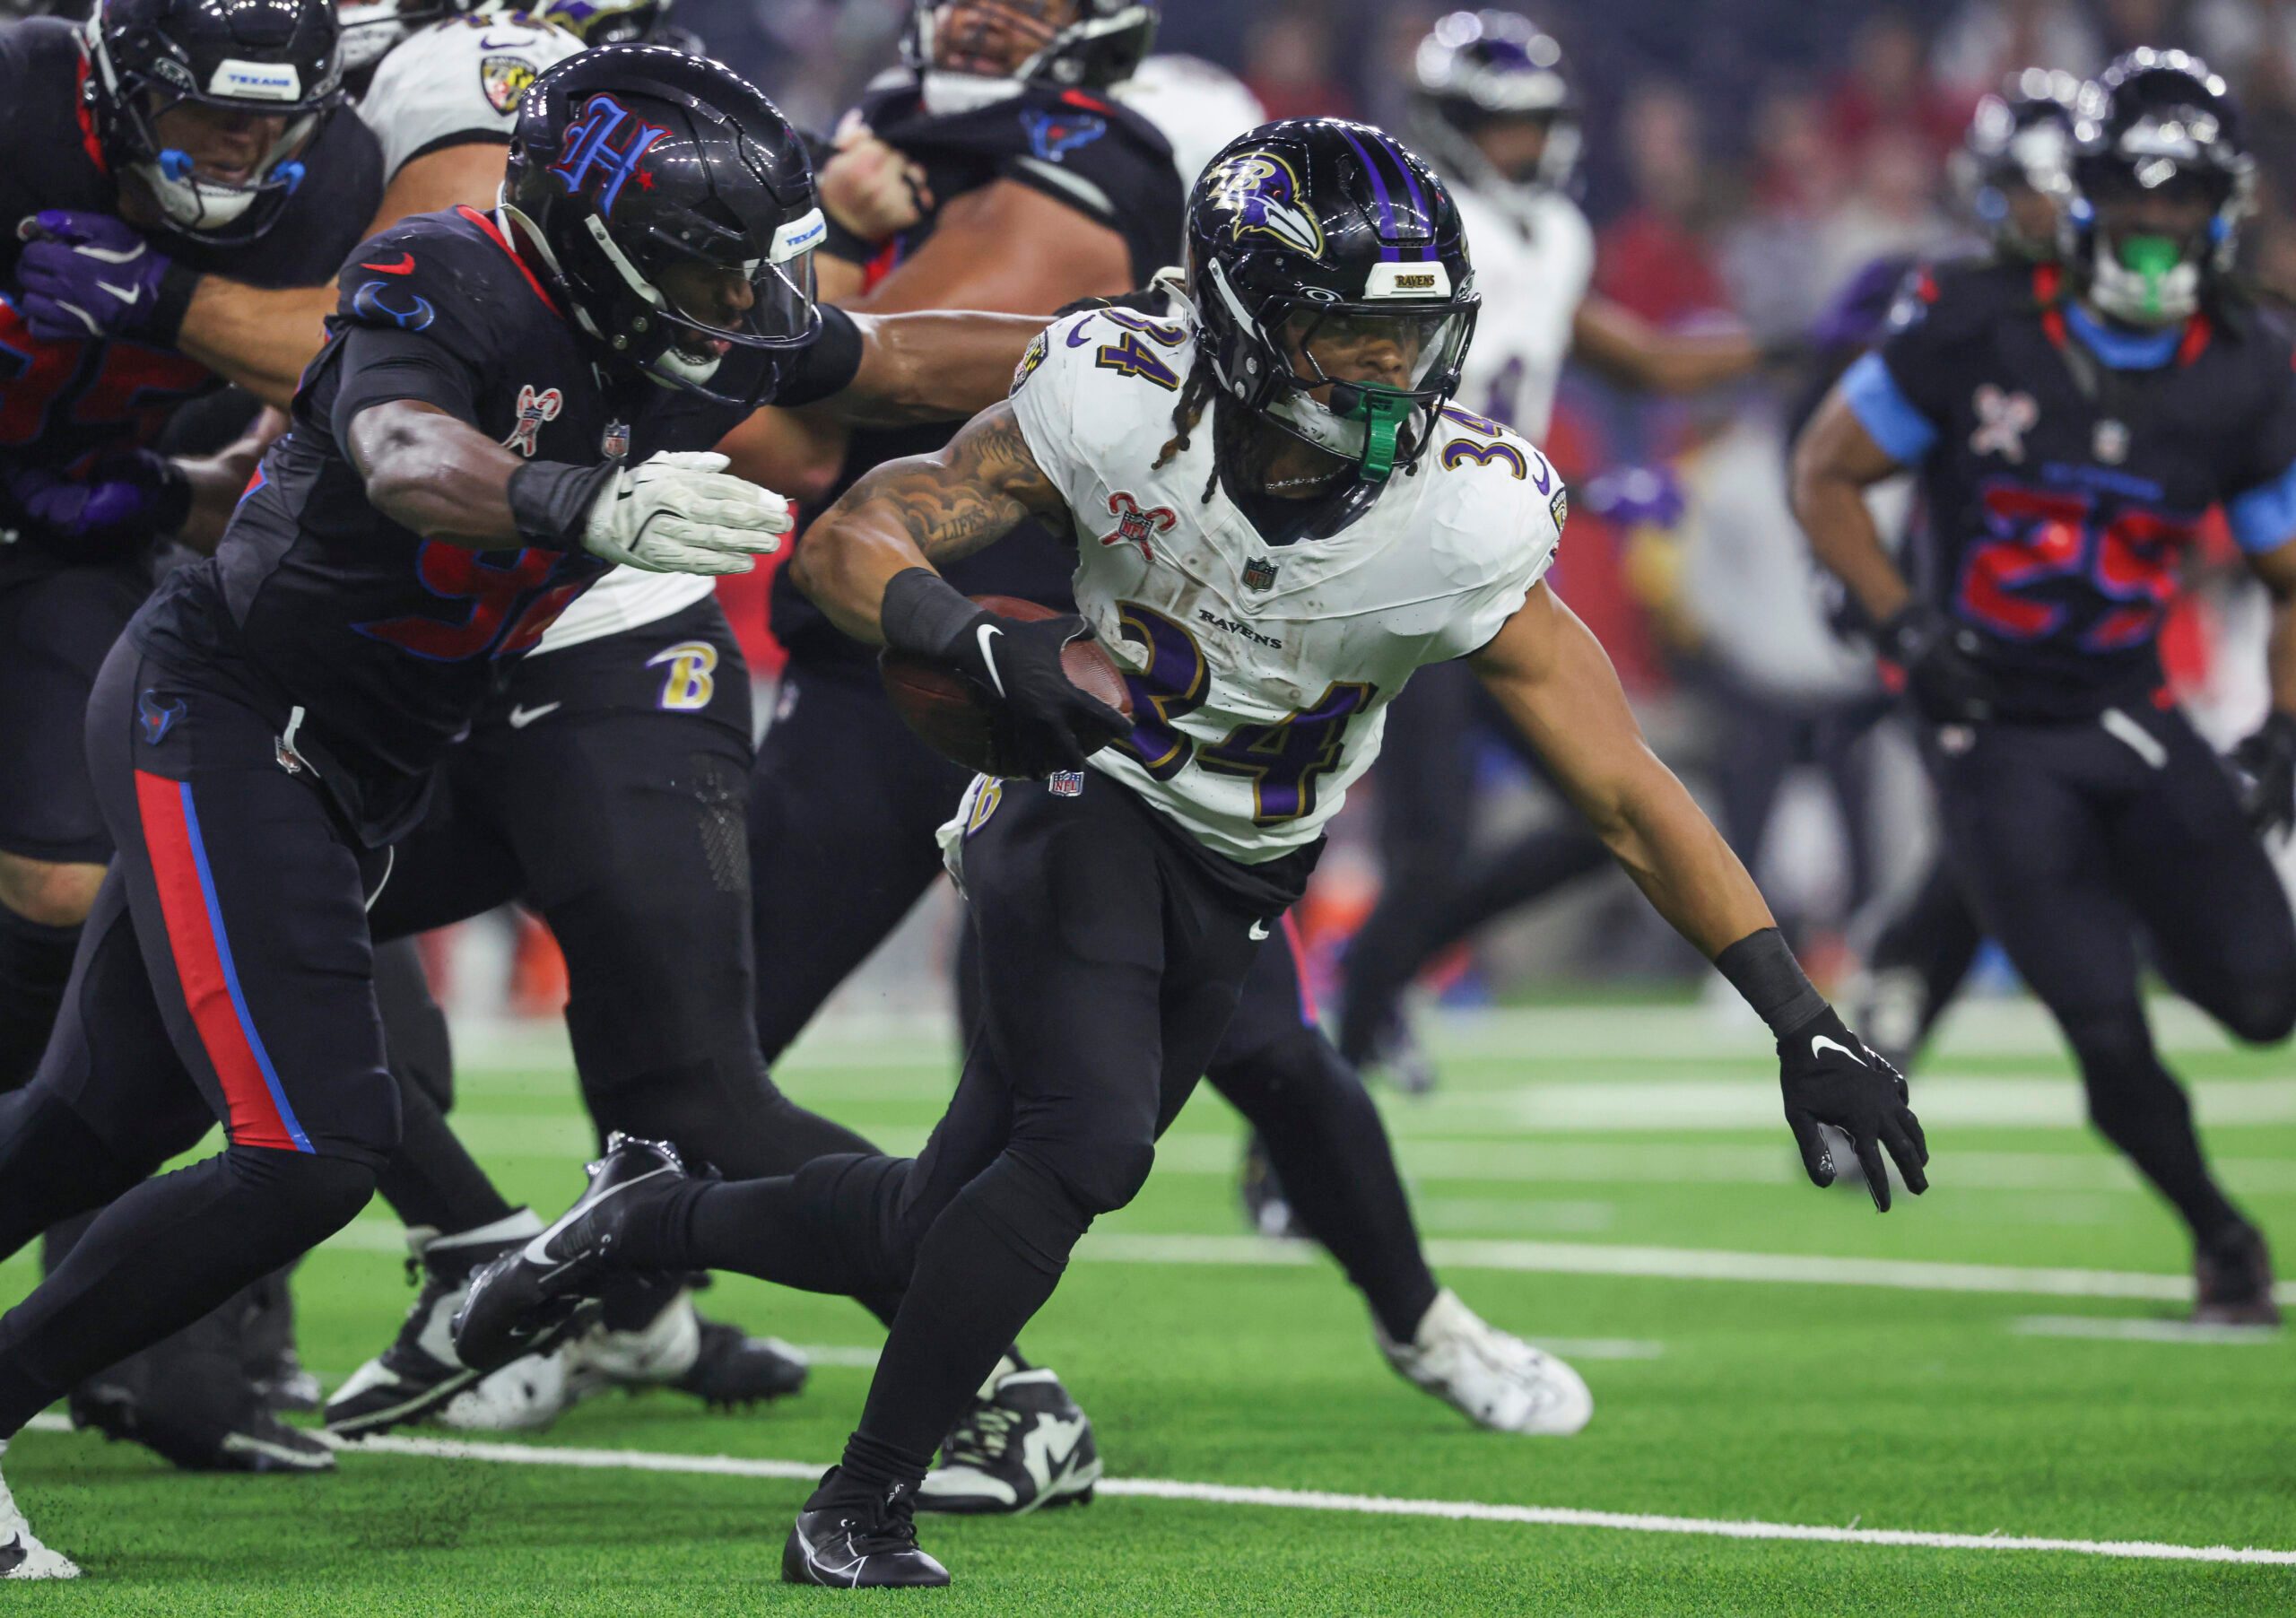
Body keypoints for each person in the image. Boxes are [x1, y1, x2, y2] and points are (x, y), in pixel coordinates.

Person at [457, 117, 1928, 1590]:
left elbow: (1624, 789)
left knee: (932, 1217)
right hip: (1079, 790)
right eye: (1350, 331)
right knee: (1089, 1146)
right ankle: (860, 1500)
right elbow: (863, 532)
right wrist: (966, 633)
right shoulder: (1117, 395)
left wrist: (1804, 1019)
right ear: (1240, 315)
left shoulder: (1465, 515)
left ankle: (644, 1215)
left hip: (1242, 867)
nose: (1389, 372)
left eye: (1415, 334)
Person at [0, 45, 1046, 1578]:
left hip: (362, 754)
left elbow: (885, 358)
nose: (737, 299)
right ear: (603, 230)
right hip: (230, 716)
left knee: (104, 1116)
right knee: (309, 1149)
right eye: (702, 259)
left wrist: (1130, 349)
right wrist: (585, 502)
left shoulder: (683, 311)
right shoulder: (446, 271)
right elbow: (403, 451)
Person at [746, 2, 1589, 1518]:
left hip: (1145, 688)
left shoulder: (1155, 149)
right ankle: (645, 1267)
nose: (1002, 17)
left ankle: (1411, 1317)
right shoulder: (889, 141)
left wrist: (816, 315)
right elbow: (913, 389)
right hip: (963, 661)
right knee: (764, 1036)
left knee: (1232, 1061)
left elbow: (983, 346)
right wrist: (808, 286)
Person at [1792, 50, 2296, 1326]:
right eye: (2137, 192)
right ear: (2083, 196)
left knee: (2261, 998)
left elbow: (2291, 573)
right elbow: (1828, 472)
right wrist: (1908, 630)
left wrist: (2286, 721)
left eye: (2185, 201)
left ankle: (2114, 897)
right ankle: (2223, 1237)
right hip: (1992, 723)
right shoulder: (1979, 324)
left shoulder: (2246, 364)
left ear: (2226, 205)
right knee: (2103, 1032)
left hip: (2133, 711)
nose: (2159, 225)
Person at [0, 0, 384, 1476]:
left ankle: (105, 1268)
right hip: (56, 503)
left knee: (65, 893)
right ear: (109, 90)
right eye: (204, 113)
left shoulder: (337, 171)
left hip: (84, 524)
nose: (240, 145)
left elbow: (350, 361)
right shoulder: (20, 102)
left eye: (266, 118)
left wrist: (162, 318)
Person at [1334, 10, 1778, 1092]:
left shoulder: (1552, 237)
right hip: (1392, 562)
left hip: (1491, 578)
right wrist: (1576, 483)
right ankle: (1329, 1066)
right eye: (1501, 125)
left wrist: (1811, 342)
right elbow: (1389, 415)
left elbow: (1646, 360)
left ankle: (1370, 989)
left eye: (1534, 124)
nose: (1524, 145)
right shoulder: (1413, 234)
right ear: (1447, 126)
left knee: (1605, 809)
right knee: (1399, 851)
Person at [1847, 72, 2076, 1074]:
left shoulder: (2128, 314)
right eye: (2023, 185)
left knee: (2010, 842)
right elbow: (1836, 446)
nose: (2041, 209)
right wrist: (1874, 597)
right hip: (1955, 614)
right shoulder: (1939, 299)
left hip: (2083, 620)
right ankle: (1889, 1005)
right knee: (2006, 833)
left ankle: (1892, 996)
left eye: (2060, 186)